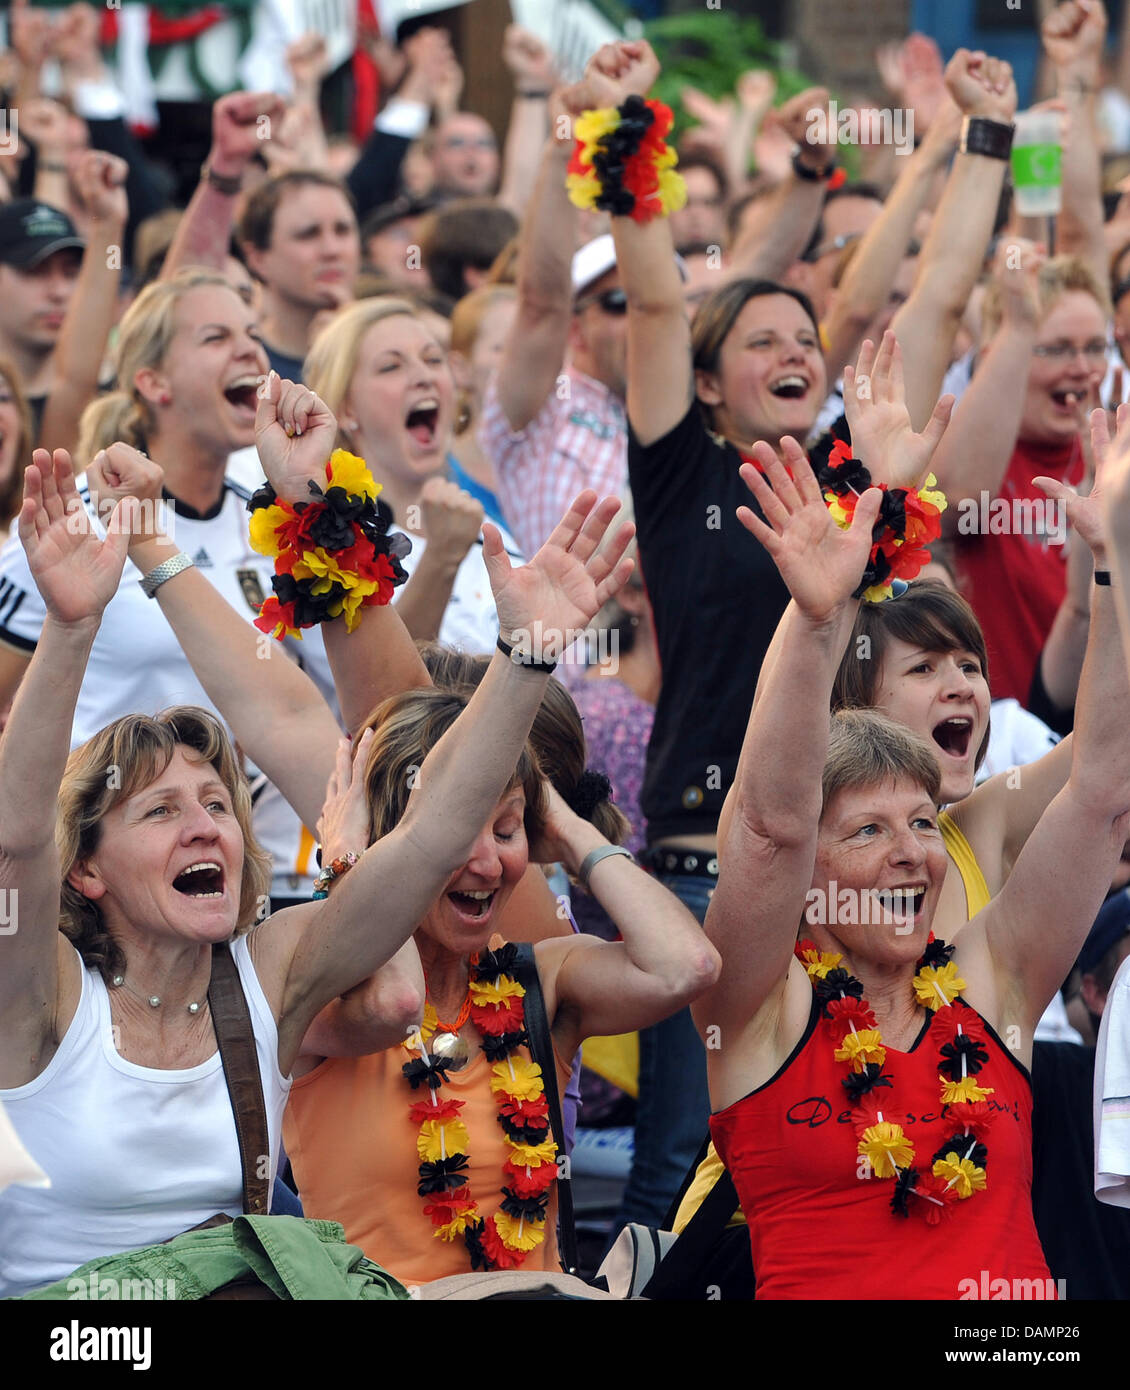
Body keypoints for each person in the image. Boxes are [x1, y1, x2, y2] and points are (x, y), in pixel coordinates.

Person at [0, 428, 635, 1297]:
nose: (204, 829)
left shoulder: (265, 971)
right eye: (160, 810)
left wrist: (524, 660)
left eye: (219, 806)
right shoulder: (39, 992)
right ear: (87, 871)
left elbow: (425, 838)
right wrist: (72, 627)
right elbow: (15, 840)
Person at [695, 435, 1130, 1299]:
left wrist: (1113, 574)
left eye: (924, 824)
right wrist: (816, 621)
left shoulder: (990, 981)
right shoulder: (754, 1013)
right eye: (867, 832)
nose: (911, 851)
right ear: (805, 874)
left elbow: (1102, 786)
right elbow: (767, 824)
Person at [0, 269, 333, 909]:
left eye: (253, 334)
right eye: (216, 337)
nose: (250, 351)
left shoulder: (277, 522)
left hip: (240, 873)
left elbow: (326, 707)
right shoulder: (73, 529)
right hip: (94, 881)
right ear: (152, 383)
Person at [304, 296, 521, 651]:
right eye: (391, 367)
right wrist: (441, 558)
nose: (423, 377)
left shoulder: (491, 524)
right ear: (345, 409)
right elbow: (381, 691)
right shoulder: (328, 550)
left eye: (433, 360)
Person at [237, 171, 363, 381]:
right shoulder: (245, 362)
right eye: (308, 234)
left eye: (343, 230)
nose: (331, 250)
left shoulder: (396, 344)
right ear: (258, 259)